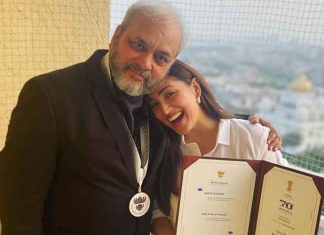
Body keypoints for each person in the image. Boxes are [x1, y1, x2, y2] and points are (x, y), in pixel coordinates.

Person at [0, 1, 280, 235]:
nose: (146, 63)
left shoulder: (155, 110)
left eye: (161, 57)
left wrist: (249, 123)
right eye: (138, 44)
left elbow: (198, 123)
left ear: (171, 64)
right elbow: (18, 208)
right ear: (116, 36)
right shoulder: (50, 95)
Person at [148, 59, 288, 235]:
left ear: (195, 88)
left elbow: (283, 204)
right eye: (154, 105)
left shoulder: (255, 138)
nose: (165, 110)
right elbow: (157, 211)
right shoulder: (161, 149)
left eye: (169, 94)